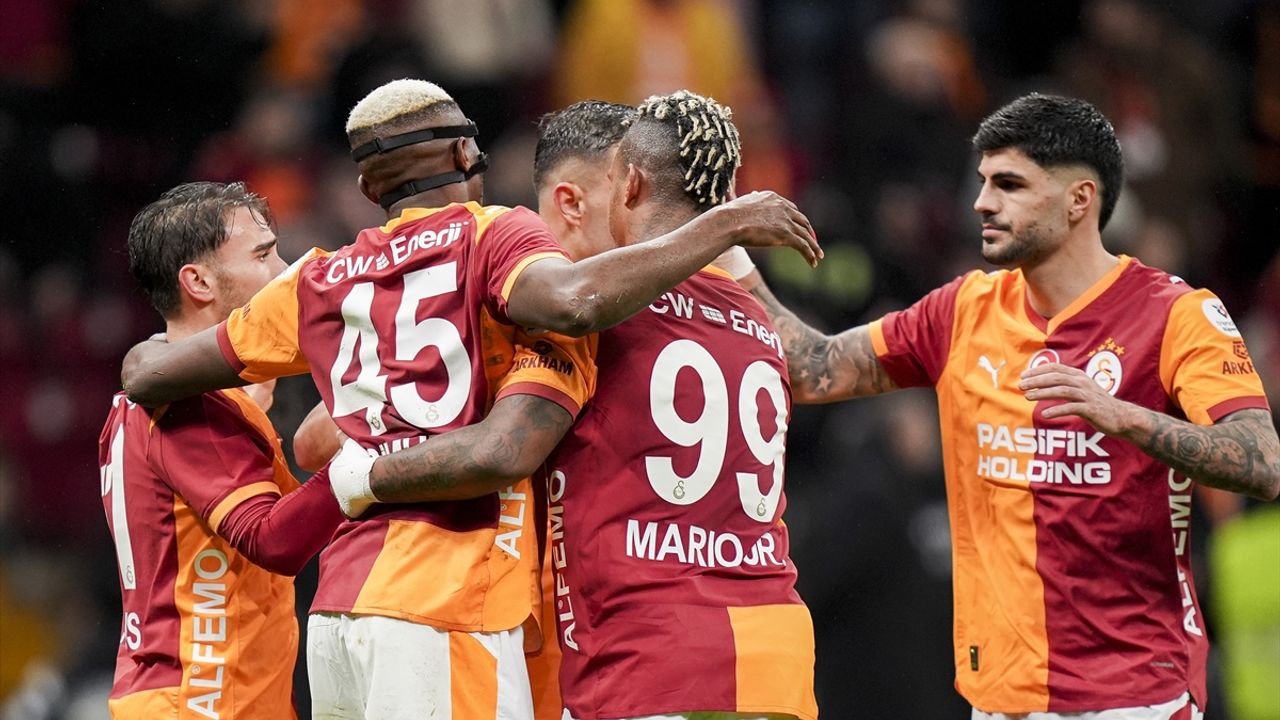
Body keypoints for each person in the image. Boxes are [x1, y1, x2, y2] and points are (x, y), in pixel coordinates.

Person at [120, 79, 819, 720]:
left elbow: (161, 380)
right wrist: (722, 228)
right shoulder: (498, 239)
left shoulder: (321, 279)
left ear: (366, 185)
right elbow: (567, 314)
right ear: (467, 153)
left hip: (340, 613)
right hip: (449, 608)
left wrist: (146, 355)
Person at [718, 93, 1280, 719]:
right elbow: (811, 369)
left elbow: (1262, 461)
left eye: (1009, 184)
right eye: (984, 181)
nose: (982, 202)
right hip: (998, 699)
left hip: (1133, 698)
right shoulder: (962, 310)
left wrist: (1127, 417)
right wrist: (724, 245)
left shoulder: (1178, 316)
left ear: (1079, 200)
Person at [326, 90, 819, 720]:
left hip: (644, 657)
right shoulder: (754, 316)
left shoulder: (582, 316)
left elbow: (330, 435)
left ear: (627, 186)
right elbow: (823, 364)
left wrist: (365, 475)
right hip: (774, 655)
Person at [99, 182, 345, 718]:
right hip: (205, 700)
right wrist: (365, 464)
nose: (284, 271)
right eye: (262, 256)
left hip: (198, 695)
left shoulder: (157, 398)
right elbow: (273, 539)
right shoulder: (189, 405)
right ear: (198, 282)